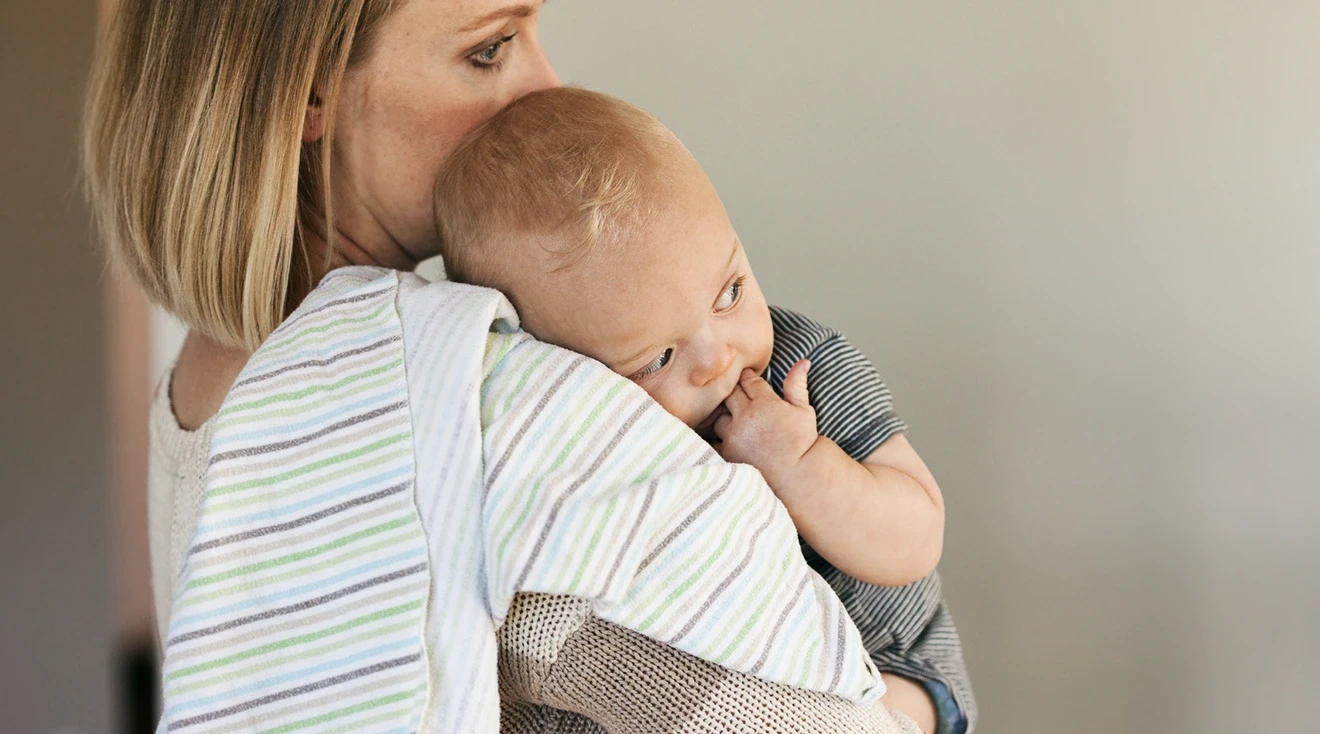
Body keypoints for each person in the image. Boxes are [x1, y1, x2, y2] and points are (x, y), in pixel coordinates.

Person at [81, 0, 972, 731]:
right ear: (305, 93)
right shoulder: (480, 395)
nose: (549, 85)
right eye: (490, 48)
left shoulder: (200, 394)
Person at [434, 86, 974, 731]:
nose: (718, 358)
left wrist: (799, 462)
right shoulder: (576, 424)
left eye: (730, 292)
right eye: (656, 358)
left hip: (883, 662)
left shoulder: (804, 365)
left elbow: (915, 539)